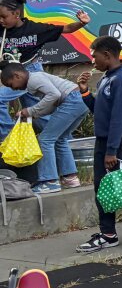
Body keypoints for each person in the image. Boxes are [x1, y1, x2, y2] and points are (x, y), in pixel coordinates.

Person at [76, 36, 122, 253]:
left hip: (118, 142)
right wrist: (84, 91)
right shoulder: (106, 79)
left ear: (107, 55)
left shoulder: (120, 81)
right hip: (104, 141)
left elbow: (119, 118)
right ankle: (108, 234)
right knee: (102, 187)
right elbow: (99, 111)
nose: (93, 60)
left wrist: (111, 151)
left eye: (95, 56)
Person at [0, 0, 90, 143]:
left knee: (6, 100)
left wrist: (82, 23)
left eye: (4, 17)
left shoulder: (34, 29)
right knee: (37, 115)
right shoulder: (1, 30)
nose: (1, 20)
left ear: (16, 14)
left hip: (30, 72)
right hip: (13, 76)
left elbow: (66, 29)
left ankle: (8, 139)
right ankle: (62, 141)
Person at [0, 63, 85, 193]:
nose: (14, 89)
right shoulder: (34, 81)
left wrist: (31, 110)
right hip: (79, 101)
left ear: (17, 76)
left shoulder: (33, 79)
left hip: (71, 101)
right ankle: (70, 178)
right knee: (60, 139)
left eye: (11, 85)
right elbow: (52, 103)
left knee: (45, 139)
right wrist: (32, 114)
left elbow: (54, 95)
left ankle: (50, 182)